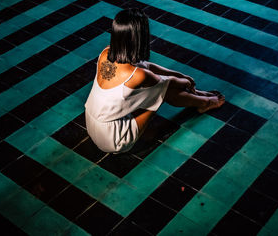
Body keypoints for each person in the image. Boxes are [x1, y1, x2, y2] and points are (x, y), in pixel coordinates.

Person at [84, 8, 225, 153]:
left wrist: (180, 75)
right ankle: (205, 103)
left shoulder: (106, 53)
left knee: (158, 88)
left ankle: (200, 98)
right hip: (113, 138)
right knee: (162, 92)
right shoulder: (139, 75)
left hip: (93, 124)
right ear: (140, 38)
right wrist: (187, 80)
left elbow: (148, 67)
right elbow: (168, 84)